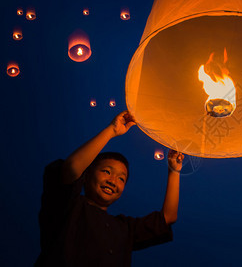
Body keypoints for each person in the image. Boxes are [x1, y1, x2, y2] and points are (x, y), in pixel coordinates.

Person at [35, 111, 184, 267]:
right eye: (106, 171)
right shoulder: (67, 207)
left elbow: (168, 217)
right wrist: (111, 131)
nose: (113, 181)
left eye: (121, 179)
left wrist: (174, 170)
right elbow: (72, 168)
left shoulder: (124, 229)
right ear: (86, 175)